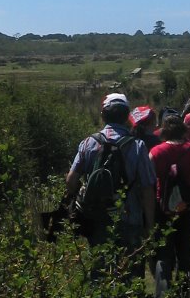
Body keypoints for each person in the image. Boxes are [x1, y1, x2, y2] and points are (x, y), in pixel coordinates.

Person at [65, 92, 156, 274]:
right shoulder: (137, 146)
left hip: (96, 216)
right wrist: (150, 225)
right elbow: (147, 189)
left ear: (102, 115)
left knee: (99, 271)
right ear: (126, 117)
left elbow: (71, 181)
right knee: (131, 273)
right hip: (129, 216)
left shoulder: (88, 143)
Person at [149, 114, 190, 297]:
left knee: (163, 252)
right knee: (184, 249)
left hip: (163, 208)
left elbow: (149, 180)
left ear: (164, 131)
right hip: (186, 206)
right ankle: (186, 290)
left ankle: (163, 295)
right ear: (183, 130)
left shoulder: (156, 152)